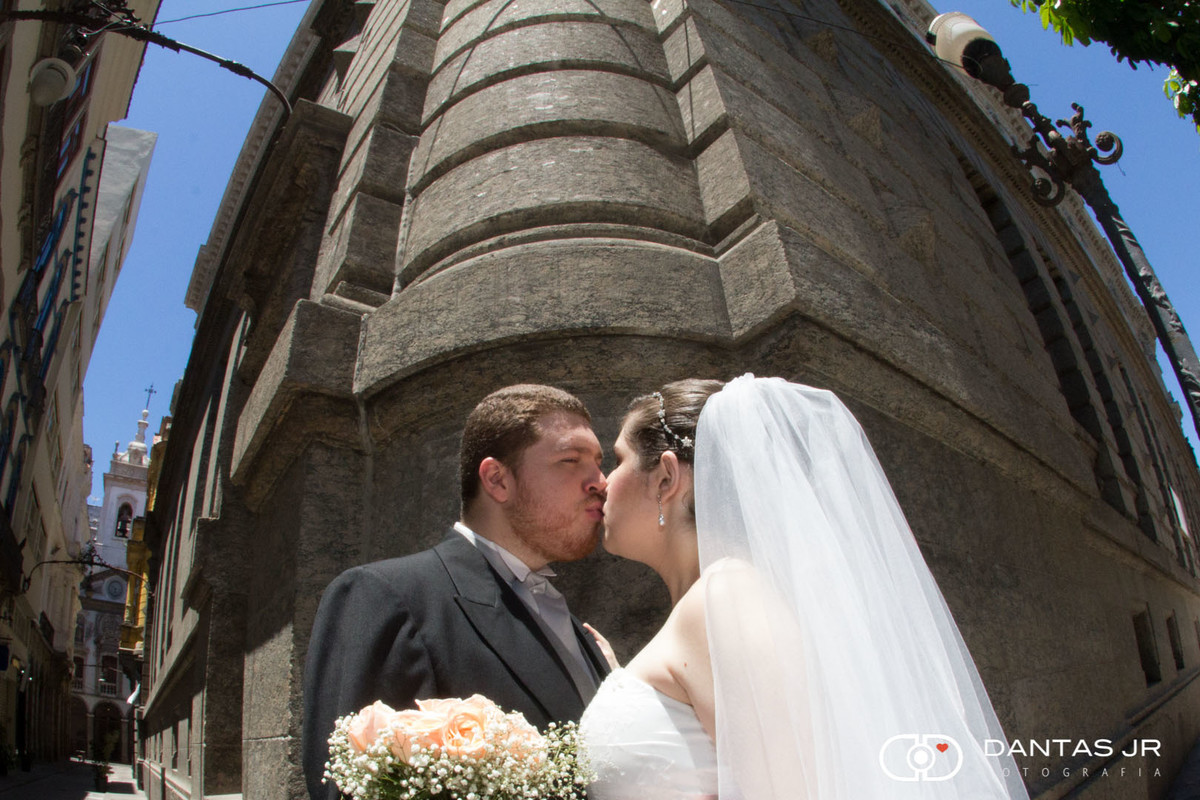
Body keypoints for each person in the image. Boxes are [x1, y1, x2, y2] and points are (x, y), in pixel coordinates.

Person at [580, 375, 1030, 800]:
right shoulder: (718, 601)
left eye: (617, 461)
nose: (603, 484)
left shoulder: (727, 596)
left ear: (666, 478)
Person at [302, 384, 612, 800]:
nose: (601, 482)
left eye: (599, 463)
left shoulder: (573, 627)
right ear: (498, 480)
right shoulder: (385, 597)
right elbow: (348, 787)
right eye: (571, 461)